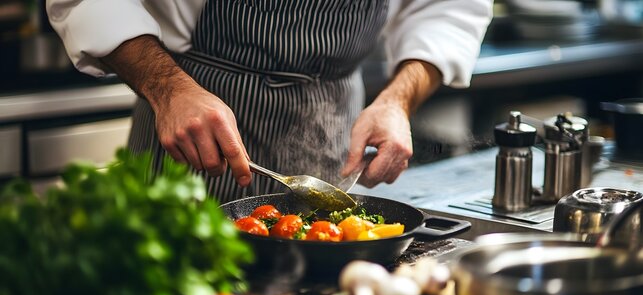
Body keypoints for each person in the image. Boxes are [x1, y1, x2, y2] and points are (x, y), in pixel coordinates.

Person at [47, 0, 492, 204]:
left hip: (331, 119)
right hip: (189, 115)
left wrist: (397, 100)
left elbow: (450, 8)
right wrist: (169, 90)